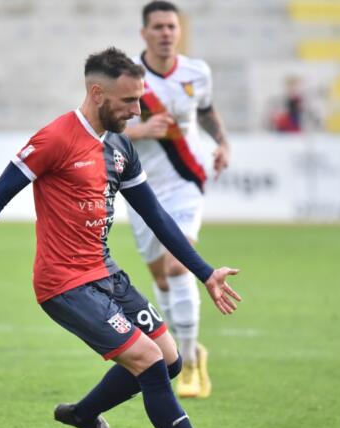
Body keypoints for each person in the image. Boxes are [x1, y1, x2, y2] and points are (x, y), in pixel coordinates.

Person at [0, 47, 255, 428]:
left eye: (139, 98)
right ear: (97, 93)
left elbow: (157, 216)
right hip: (64, 284)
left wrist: (205, 273)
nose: (138, 109)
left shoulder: (121, 147)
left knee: (169, 361)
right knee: (147, 360)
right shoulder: (55, 139)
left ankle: (84, 413)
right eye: (128, 101)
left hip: (105, 272)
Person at [123, 1, 230, 399]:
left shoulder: (197, 72)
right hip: (140, 187)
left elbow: (205, 111)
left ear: (179, 30)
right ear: (144, 33)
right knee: (161, 277)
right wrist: (142, 130)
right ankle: (187, 350)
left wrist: (222, 143)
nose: (166, 33)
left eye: (172, 26)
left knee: (177, 264)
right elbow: (108, 131)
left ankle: (187, 362)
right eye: (158, 27)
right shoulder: (127, 76)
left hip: (187, 180)